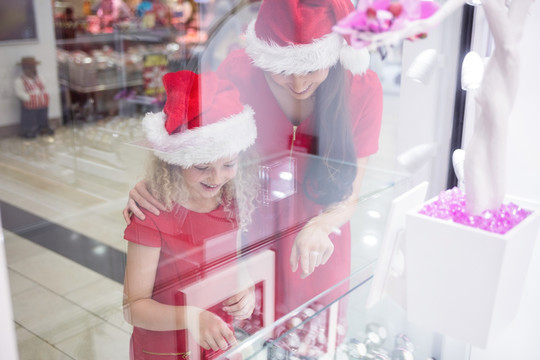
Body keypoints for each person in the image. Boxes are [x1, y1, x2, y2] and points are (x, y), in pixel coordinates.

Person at [125, 0, 383, 331]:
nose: (299, 85)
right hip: (248, 241)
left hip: (316, 248)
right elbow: (192, 132)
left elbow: (350, 194)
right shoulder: (240, 72)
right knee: (244, 335)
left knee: (310, 341)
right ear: (264, 56)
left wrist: (321, 226)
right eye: (283, 71)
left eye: (311, 69)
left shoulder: (361, 87)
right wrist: (156, 182)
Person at [123, 70, 258, 359]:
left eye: (229, 164)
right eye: (201, 166)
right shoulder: (152, 213)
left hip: (216, 338)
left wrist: (246, 287)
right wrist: (192, 317)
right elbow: (134, 307)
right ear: (175, 162)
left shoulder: (231, 201)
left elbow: (232, 263)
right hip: (167, 349)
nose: (217, 177)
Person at [14, 57, 54, 139]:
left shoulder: (40, 78)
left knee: (43, 116)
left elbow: (44, 88)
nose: (32, 70)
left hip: (42, 103)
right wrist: (29, 98)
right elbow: (19, 93)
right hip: (29, 104)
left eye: (33, 67)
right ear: (24, 69)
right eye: (29, 68)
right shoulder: (19, 81)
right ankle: (29, 130)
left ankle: (43, 128)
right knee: (30, 118)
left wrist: (43, 95)